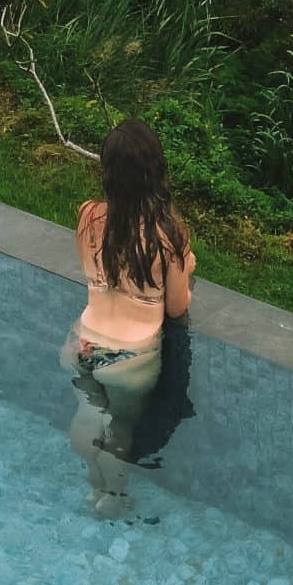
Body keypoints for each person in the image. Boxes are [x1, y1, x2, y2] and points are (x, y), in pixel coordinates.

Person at [62, 119, 194, 518]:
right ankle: (113, 497)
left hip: (82, 342)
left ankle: (93, 485)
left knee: (89, 414)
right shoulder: (167, 234)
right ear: (155, 171)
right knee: (119, 431)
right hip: (129, 358)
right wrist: (185, 267)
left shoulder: (88, 216)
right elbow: (176, 307)